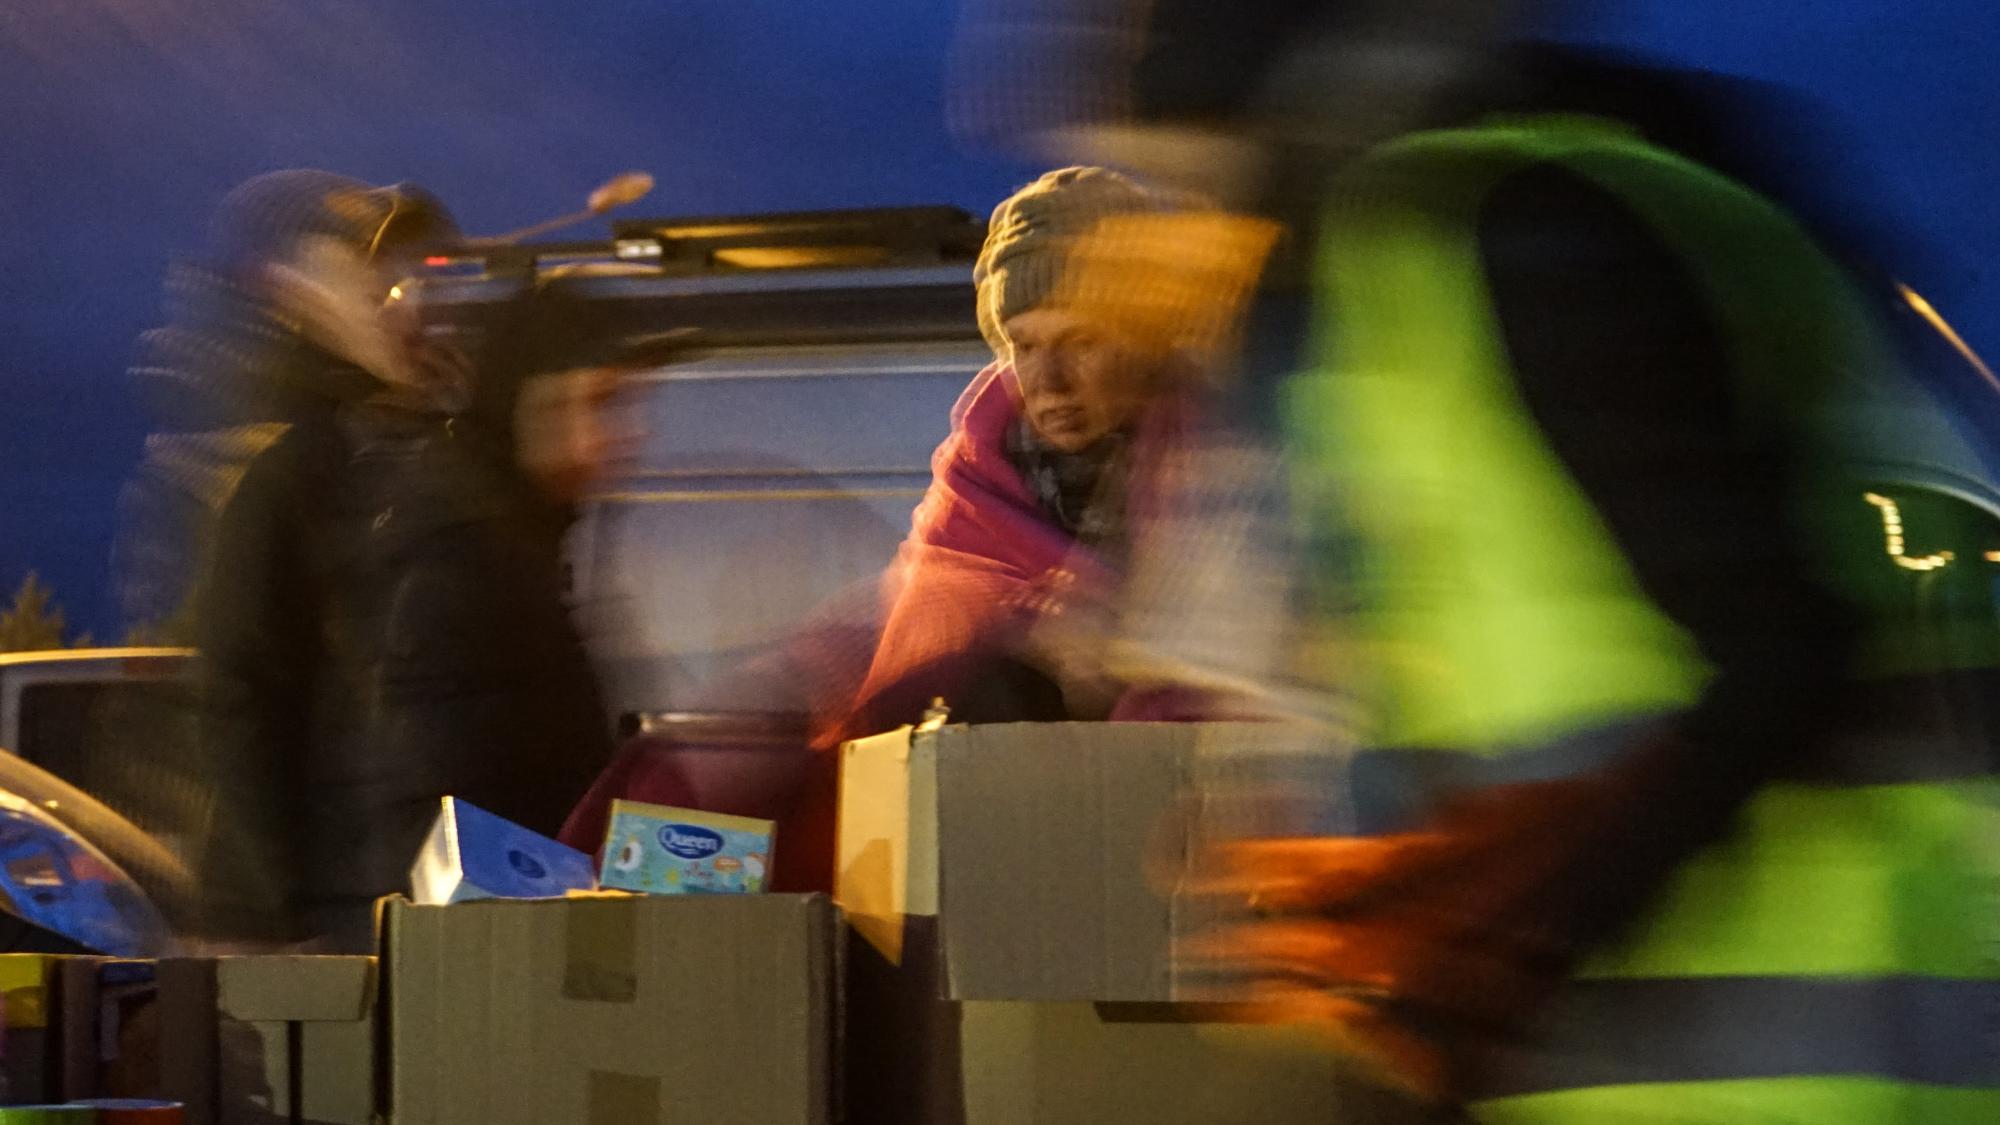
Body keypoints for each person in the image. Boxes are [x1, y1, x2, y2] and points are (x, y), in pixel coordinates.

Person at [962, 2, 2000, 1121]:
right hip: (1636, 1063)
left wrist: (1488, 922)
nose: (1193, 223)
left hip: (1802, 1060)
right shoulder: (1418, 267)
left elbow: (1783, 649)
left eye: (1187, 176)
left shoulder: (1532, 233)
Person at [560, 166, 1291, 892]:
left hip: (1140, 868)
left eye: (1083, 340)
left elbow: (1246, 688)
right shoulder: (978, 485)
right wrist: (758, 714)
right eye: (1022, 344)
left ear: (1146, 341)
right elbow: (897, 633)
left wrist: (1114, 673)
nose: (1047, 378)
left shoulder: (1225, 472)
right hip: (976, 863)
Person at [121, 170, 617, 950]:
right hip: (341, 940)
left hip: (445, 923)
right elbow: (239, 702)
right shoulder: (288, 469)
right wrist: (294, 926)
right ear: (293, 294)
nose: (407, 303)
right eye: (373, 281)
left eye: (414, 279)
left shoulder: (438, 455)